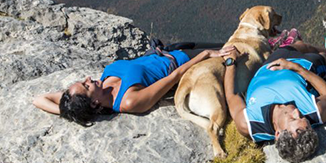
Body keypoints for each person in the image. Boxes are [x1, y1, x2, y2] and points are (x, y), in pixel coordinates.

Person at [223, 27, 326, 163]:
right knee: (325, 59)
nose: (298, 112)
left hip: (269, 65)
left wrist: (230, 62)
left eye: (293, 119)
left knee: (299, 46)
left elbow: (232, 96)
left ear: (277, 133)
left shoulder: (249, 124)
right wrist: (296, 68)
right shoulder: (315, 112)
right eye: (302, 117)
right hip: (304, 66)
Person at [33, 44, 235, 125]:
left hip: (169, 49)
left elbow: (39, 99)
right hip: (186, 62)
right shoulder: (129, 101)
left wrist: (72, 113)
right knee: (239, 47)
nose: (88, 79)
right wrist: (205, 55)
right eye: (86, 86)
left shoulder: (91, 93)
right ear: (94, 103)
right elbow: (173, 78)